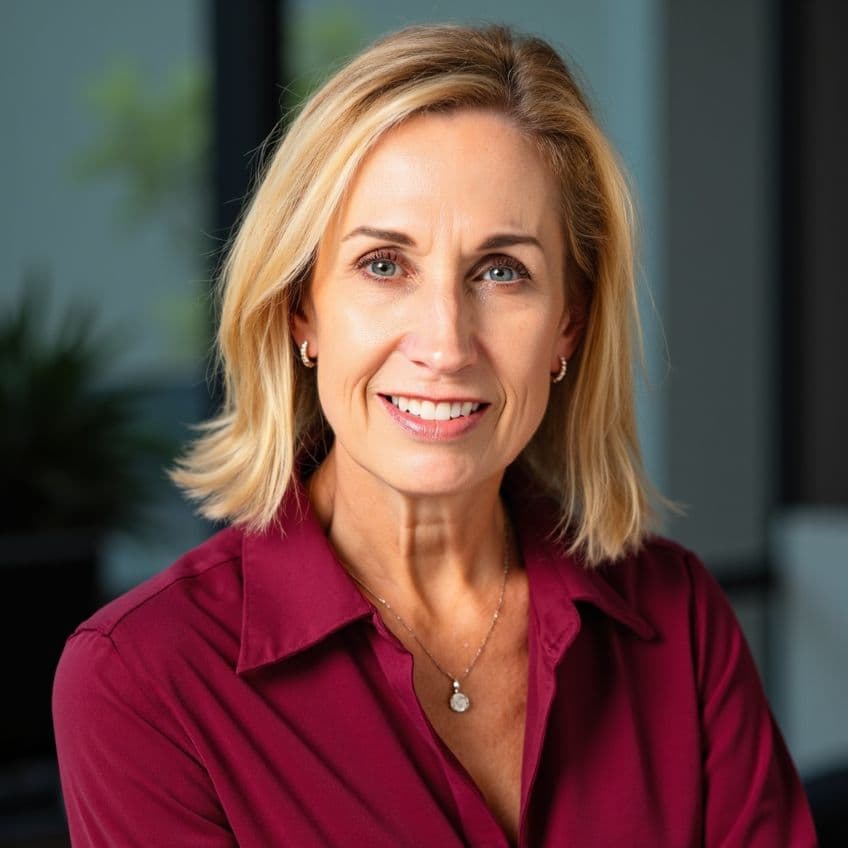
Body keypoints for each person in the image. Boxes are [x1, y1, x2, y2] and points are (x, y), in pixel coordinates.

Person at [52, 23, 817, 847]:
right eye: (384, 264)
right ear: (301, 308)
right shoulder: (142, 679)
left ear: (569, 326)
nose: (446, 344)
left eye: (502, 271)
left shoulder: (678, 621)